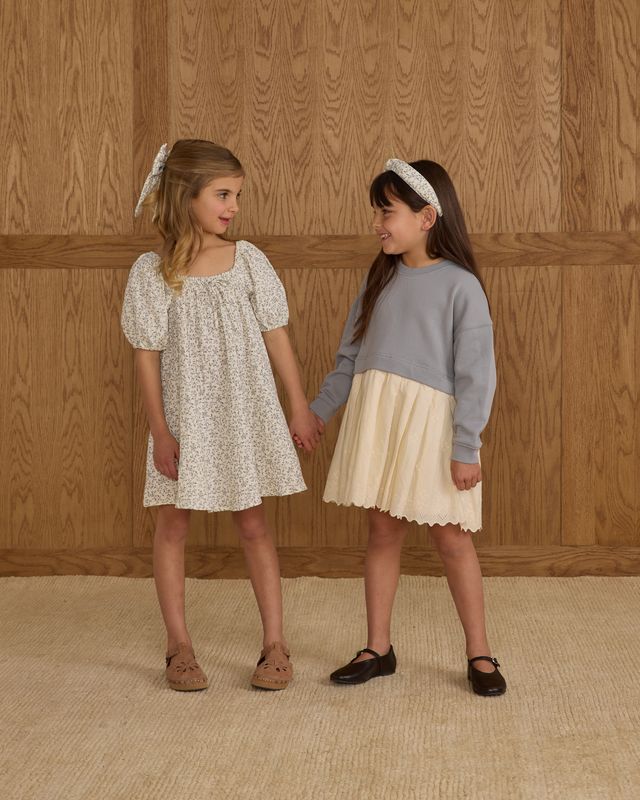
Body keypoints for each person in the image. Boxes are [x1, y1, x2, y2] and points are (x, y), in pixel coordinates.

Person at [121, 139, 319, 692]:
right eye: (223, 194)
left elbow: (275, 336)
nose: (233, 206)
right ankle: (178, 646)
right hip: (185, 419)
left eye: (237, 195)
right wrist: (160, 431)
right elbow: (147, 354)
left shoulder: (248, 259)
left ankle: (275, 642)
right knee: (173, 524)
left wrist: (297, 407)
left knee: (253, 523)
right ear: (187, 197)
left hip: (242, 412)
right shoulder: (153, 271)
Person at [308, 158, 507, 696]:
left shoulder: (460, 287)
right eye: (376, 210)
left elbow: (476, 373)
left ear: (426, 216)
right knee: (382, 531)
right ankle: (378, 646)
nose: (378, 222)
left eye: (387, 211)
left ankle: (480, 651)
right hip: (381, 421)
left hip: (431, 428)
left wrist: (466, 445)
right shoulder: (380, 278)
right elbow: (348, 358)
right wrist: (320, 411)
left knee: (452, 539)